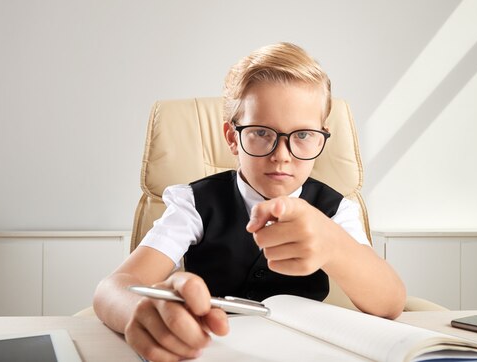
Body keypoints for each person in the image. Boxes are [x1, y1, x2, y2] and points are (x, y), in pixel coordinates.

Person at [93, 42, 406, 361]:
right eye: (261, 133)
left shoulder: (336, 210)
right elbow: (112, 288)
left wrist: (334, 245)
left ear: (322, 137)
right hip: (215, 349)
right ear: (232, 137)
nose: (281, 156)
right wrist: (141, 312)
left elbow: (390, 302)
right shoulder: (195, 203)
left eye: (302, 135)